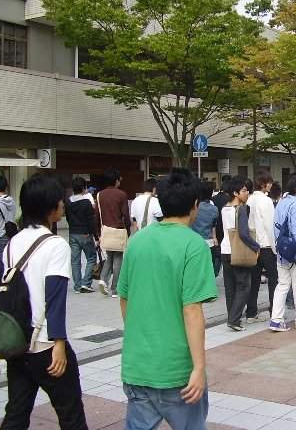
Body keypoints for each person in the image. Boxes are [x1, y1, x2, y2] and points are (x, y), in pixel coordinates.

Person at [118, 168, 217, 430]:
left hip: (138, 365)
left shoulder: (137, 241)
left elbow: (124, 298)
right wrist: (199, 368)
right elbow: (192, 310)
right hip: (176, 369)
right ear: (195, 205)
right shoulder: (194, 245)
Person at [0, 174, 88, 429]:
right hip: (47, 345)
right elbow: (55, 298)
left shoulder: (12, 243)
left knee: (16, 413)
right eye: (60, 200)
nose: (63, 204)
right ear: (50, 207)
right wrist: (58, 343)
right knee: (71, 414)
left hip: (18, 344)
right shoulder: (55, 245)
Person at [269, 175, 296, 331]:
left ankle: (276, 320)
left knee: (282, 284)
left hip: (282, 251)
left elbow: (276, 227)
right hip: (295, 253)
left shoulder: (281, 202)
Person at [220, 176, 260, 331]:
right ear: (235, 193)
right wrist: (256, 246)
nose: (247, 193)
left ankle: (232, 317)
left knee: (230, 287)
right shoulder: (241, 209)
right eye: (243, 190)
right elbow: (244, 234)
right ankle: (234, 320)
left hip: (225, 250)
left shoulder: (225, 208)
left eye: (247, 190)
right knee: (244, 286)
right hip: (238, 252)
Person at [246, 171, 278, 322]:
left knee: (253, 281)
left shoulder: (249, 199)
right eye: (269, 182)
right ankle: (274, 311)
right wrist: (275, 248)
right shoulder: (266, 201)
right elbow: (269, 226)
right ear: (262, 184)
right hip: (266, 245)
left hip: (253, 245)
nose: (270, 185)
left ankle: (251, 313)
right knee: (273, 280)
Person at [97, 169, 131, 298]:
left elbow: (97, 215)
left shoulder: (100, 195)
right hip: (118, 229)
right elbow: (125, 215)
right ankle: (115, 288)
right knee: (118, 258)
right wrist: (128, 230)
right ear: (116, 180)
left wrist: (97, 233)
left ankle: (103, 279)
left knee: (109, 257)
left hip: (106, 230)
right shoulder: (121, 194)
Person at [65, 176, 97, 294]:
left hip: (73, 233)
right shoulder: (86, 203)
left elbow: (68, 218)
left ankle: (77, 286)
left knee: (75, 260)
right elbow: (91, 221)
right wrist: (96, 236)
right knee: (91, 257)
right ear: (84, 188)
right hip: (85, 233)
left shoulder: (68, 202)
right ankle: (86, 283)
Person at [191, 181, 220, 277]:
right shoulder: (214, 209)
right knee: (208, 270)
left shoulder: (193, 208)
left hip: (194, 242)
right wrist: (215, 238)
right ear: (211, 193)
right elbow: (213, 226)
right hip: (209, 242)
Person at [0, 175, 16, 288]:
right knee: (8, 260)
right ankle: (5, 282)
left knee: (1, 262)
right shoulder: (11, 200)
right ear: (6, 187)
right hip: (10, 234)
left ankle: (3, 285)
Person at [213, 175, 232, 277]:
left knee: (217, 251)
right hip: (227, 229)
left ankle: (216, 271)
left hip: (216, 228)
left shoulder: (214, 198)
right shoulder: (229, 200)